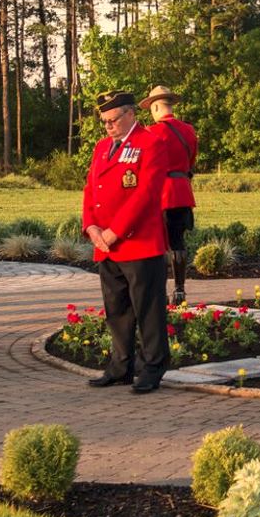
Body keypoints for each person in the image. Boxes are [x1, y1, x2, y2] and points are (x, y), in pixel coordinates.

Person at [81, 90, 170, 394]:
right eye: (104, 121)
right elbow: (91, 189)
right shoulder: (102, 147)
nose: (108, 126)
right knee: (116, 310)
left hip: (138, 242)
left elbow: (146, 195)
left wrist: (115, 231)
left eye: (113, 120)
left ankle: (152, 367)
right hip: (106, 245)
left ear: (131, 114)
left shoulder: (151, 143)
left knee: (147, 309)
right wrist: (91, 226)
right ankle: (121, 366)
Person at [139, 85, 197, 307]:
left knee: (159, 245)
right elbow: (191, 163)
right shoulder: (189, 130)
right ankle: (180, 290)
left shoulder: (152, 132)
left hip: (161, 193)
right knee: (178, 242)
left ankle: (159, 292)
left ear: (155, 107)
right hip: (183, 191)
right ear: (170, 105)